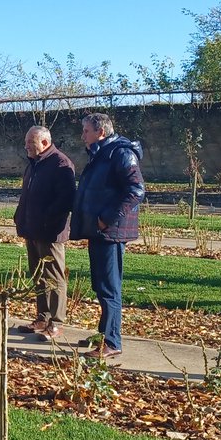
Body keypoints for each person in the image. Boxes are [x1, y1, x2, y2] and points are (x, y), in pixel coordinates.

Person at [69, 113, 145, 359]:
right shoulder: (101, 153)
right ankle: (103, 335)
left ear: (100, 132)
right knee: (101, 285)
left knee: (109, 287)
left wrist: (106, 218)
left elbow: (136, 190)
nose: (83, 136)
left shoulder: (120, 153)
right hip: (98, 230)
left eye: (86, 131)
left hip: (110, 232)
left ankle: (112, 342)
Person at [14, 126, 76, 342]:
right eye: (26, 143)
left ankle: (56, 322)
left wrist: (46, 220)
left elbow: (66, 200)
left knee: (54, 277)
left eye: (30, 143)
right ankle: (43, 317)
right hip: (32, 230)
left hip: (50, 233)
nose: (26, 147)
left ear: (44, 142)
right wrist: (20, 217)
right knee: (38, 276)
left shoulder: (60, 164)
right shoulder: (34, 164)